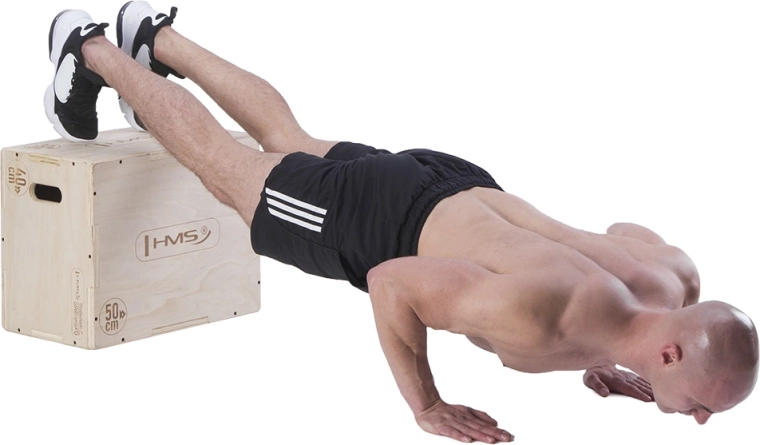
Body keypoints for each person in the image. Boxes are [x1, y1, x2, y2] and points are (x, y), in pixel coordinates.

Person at [46, 3, 758, 443]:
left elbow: (623, 229)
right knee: (224, 168)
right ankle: (88, 47)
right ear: (671, 355)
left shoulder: (675, 279)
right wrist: (427, 404)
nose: (699, 418)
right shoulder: (541, 318)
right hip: (382, 224)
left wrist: (609, 352)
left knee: (291, 141)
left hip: (460, 185)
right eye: (705, 406)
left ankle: (156, 36)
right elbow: (393, 283)